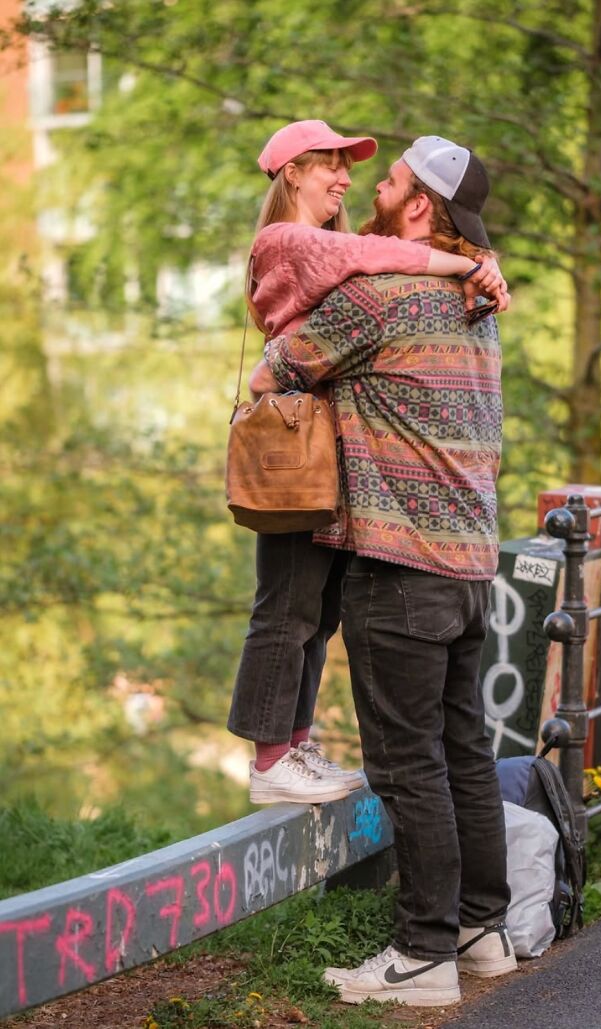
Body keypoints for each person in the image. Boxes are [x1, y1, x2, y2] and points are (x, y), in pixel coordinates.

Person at [251, 135, 516, 1006]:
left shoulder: (382, 297)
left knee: (408, 765)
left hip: (399, 570)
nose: (372, 185)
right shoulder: (476, 302)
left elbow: (277, 368)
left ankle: (421, 955)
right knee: (466, 754)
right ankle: (482, 931)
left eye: (391, 179)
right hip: (474, 568)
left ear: (415, 211)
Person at [228, 121, 509, 807]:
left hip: (328, 454)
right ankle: (270, 759)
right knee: (286, 608)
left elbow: (390, 255)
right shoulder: (287, 240)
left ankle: (294, 744)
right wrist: (469, 262)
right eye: (330, 164)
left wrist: (479, 257)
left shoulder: (337, 249)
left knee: (317, 611)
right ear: (292, 171)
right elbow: (389, 256)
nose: (346, 178)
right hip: (296, 447)